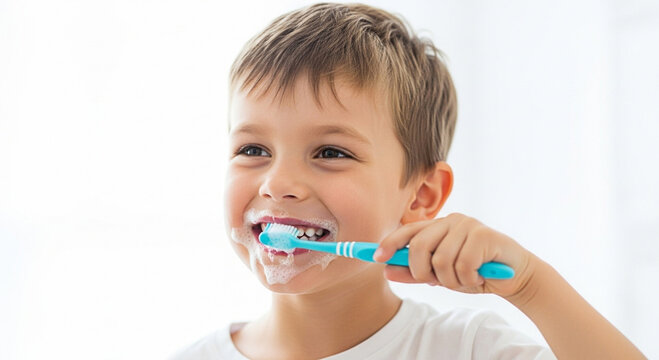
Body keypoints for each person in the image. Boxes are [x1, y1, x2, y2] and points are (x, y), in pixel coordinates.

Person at [172, 3, 646, 359]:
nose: (278, 183)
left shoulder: (469, 350)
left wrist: (530, 285)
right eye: (253, 150)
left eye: (331, 152)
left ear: (421, 196)